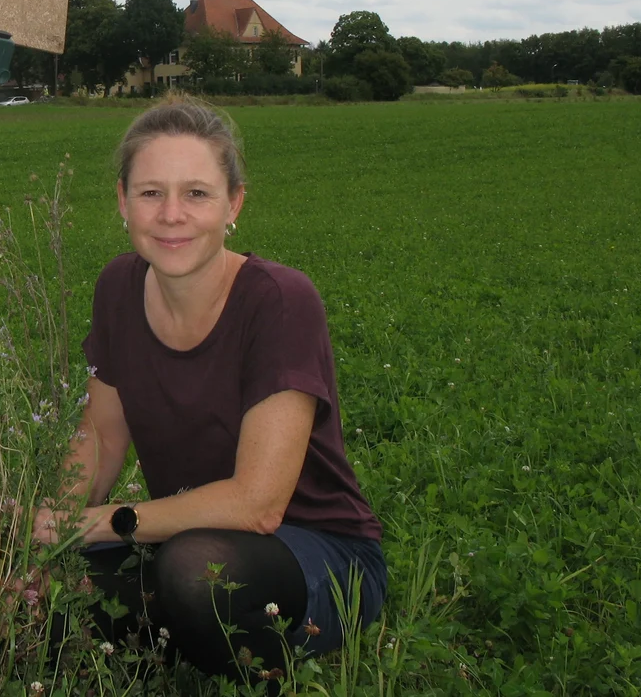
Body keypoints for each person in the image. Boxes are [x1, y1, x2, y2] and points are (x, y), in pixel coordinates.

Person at [34, 98, 385, 682]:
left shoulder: (278, 300)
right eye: (150, 193)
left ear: (233, 204)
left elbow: (257, 504)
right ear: (123, 202)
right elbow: (100, 435)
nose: (172, 214)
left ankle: (261, 668)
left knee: (195, 574)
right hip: (181, 533)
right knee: (62, 589)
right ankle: (181, 640)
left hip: (316, 550)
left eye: (196, 193)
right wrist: (51, 527)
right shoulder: (120, 287)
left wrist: (98, 524)